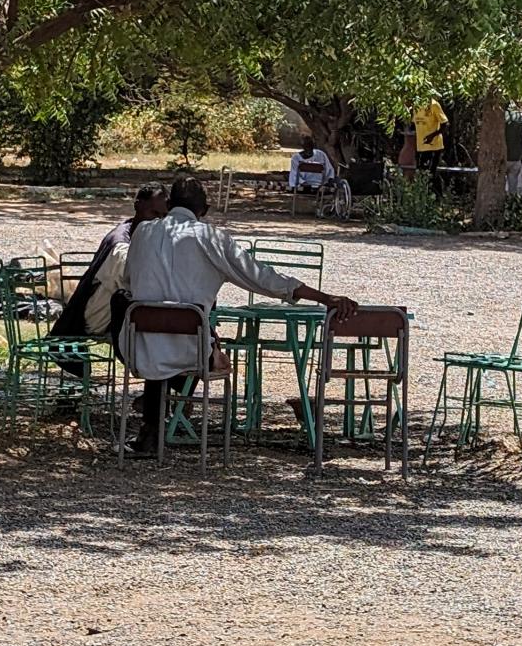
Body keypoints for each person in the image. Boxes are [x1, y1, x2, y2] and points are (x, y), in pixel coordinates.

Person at [122, 176, 357, 454]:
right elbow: (262, 278)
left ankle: (152, 428)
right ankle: (171, 412)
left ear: (169, 204)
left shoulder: (142, 232)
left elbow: (128, 281)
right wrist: (324, 298)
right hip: (191, 351)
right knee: (191, 332)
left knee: (143, 318)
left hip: (140, 347)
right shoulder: (211, 238)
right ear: (205, 211)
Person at [51, 182, 168, 364]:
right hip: (97, 317)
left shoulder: (142, 234)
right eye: (153, 214)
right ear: (138, 205)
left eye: (163, 216)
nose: (158, 222)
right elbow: (139, 285)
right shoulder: (120, 245)